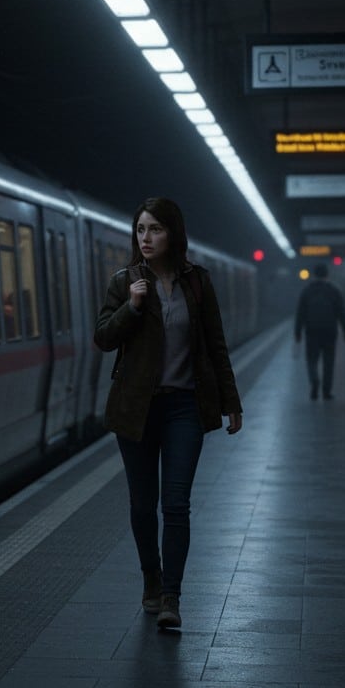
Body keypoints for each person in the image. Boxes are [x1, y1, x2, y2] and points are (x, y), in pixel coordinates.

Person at [93, 197, 243, 630]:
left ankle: (172, 596)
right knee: (143, 505)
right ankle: (151, 582)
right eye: (140, 230)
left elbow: (215, 345)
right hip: (136, 408)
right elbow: (103, 337)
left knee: (175, 504)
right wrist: (132, 307)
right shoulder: (125, 283)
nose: (146, 238)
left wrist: (230, 402)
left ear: (173, 234)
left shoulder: (198, 283)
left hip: (184, 407)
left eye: (155, 229)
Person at [294, 262, 345, 400]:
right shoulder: (334, 290)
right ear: (327, 274)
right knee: (328, 361)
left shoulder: (307, 290)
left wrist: (298, 332)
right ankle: (326, 392)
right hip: (330, 331)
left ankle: (314, 381)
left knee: (312, 359)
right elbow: (342, 312)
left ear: (314, 274)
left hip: (312, 331)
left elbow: (300, 313)